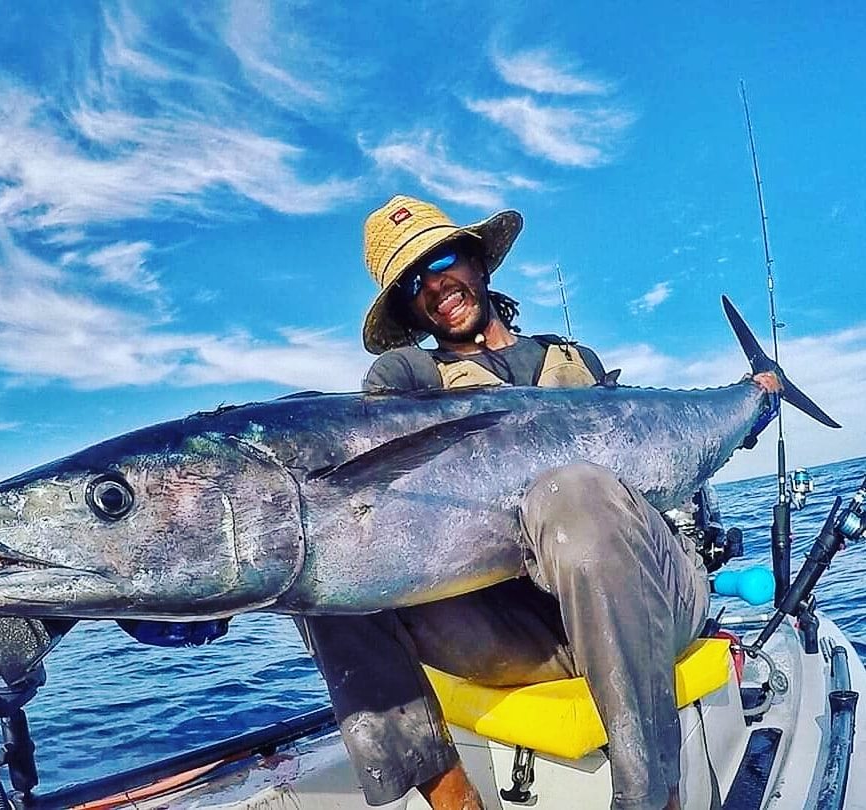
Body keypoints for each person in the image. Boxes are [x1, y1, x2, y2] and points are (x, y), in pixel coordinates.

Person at [298, 195, 779, 810]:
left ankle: (654, 798)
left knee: (575, 493)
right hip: (522, 634)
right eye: (411, 283)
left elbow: (663, 456)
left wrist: (753, 399)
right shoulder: (408, 382)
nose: (433, 285)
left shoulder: (574, 362)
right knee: (327, 562)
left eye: (441, 257)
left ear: (478, 261)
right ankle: (453, 801)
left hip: (653, 604)